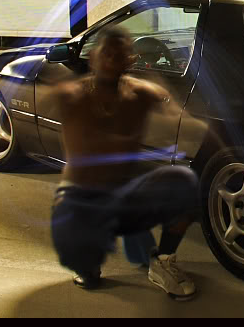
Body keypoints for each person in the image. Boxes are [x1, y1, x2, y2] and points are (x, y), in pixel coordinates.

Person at [49, 25, 200, 301]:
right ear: (93, 57)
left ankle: (162, 261)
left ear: (129, 61)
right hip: (82, 200)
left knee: (185, 182)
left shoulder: (141, 92)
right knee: (79, 256)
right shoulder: (73, 95)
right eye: (106, 54)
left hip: (123, 193)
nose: (111, 61)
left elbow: (182, 120)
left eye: (119, 56)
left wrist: (215, 132)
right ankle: (88, 258)